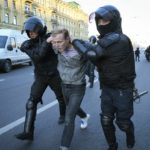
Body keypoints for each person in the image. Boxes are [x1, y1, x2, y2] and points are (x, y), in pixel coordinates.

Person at [71, 5, 136, 150]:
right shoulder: (106, 41)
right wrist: (82, 42)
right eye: (99, 21)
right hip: (107, 87)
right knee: (105, 120)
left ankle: (130, 132)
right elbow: (95, 49)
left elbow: (93, 54)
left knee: (123, 123)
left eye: (104, 21)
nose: (101, 24)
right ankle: (112, 146)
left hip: (122, 89)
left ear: (114, 21)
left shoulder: (120, 39)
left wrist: (74, 41)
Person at [15, 17, 67, 141]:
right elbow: (36, 55)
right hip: (40, 77)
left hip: (54, 75)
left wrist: (50, 41)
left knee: (61, 98)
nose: (30, 33)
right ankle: (28, 132)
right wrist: (21, 46)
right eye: (28, 31)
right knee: (31, 102)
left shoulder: (49, 38)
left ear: (39, 29)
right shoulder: (29, 44)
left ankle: (63, 114)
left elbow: (41, 54)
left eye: (33, 30)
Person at [47, 28, 90, 150]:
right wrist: (50, 39)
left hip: (78, 87)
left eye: (59, 42)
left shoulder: (80, 50)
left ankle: (64, 146)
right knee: (73, 109)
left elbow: (95, 55)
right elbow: (49, 43)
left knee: (69, 117)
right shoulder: (57, 47)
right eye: (55, 42)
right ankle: (84, 116)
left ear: (68, 39)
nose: (56, 45)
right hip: (64, 85)